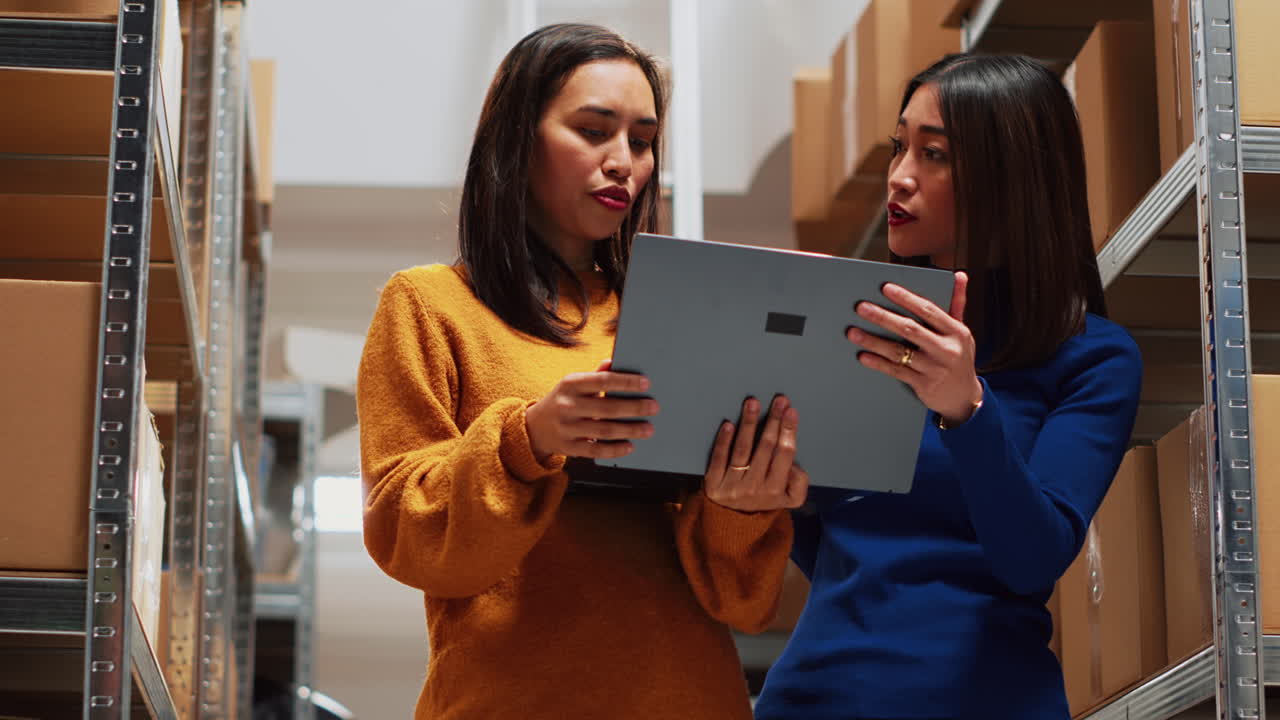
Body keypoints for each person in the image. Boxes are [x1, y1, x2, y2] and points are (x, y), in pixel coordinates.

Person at [357, 23, 808, 720]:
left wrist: (743, 501)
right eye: (594, 130)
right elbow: (406, 536)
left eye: (642, 139)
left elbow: (744, 601)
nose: (623, 160)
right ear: (516, 137)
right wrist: (529, 438)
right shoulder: (429, 304)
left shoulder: (682, 317)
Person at [754, 53, 1143, 720]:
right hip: (816, 696)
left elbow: (1031, 560)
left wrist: (966, 411)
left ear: (1011, 176)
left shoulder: (1092, 359)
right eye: (897, 147)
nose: (899, 178)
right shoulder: (859, 329)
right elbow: (827, 548)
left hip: (984, 699)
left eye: (932, 154)